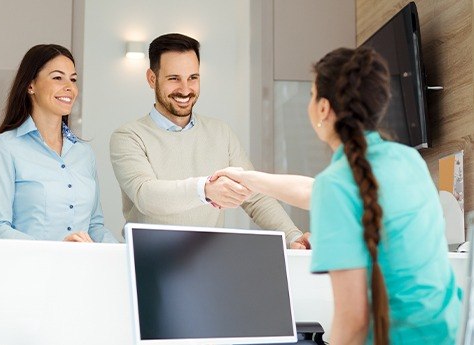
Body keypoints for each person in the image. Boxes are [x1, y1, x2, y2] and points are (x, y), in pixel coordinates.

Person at [211, 47, 461, 344]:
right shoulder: (408, 160)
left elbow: (352, 322)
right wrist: (248, 178)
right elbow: (316, 191)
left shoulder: (338, 184)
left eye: (312, 94)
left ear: (323, 108)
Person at [109, 33, 312, 248]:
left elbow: (255, 196)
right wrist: (204, 189)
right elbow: (146, 196)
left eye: (193, 78)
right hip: (148, 260)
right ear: (152, 79)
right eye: (174, 78)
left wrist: (292, 236)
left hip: (208, 259)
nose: (185, 89)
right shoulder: (129, 136)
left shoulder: (220, 133)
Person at [0, 44, 117, 243]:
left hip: (81, 270)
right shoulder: (4, 147)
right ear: (30, 85)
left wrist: (122, 253)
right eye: (58, 77)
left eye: (73, 79)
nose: (70, 87)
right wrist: (55, 250)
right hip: (30, 270)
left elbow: (95, 226)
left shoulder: (84, 153)